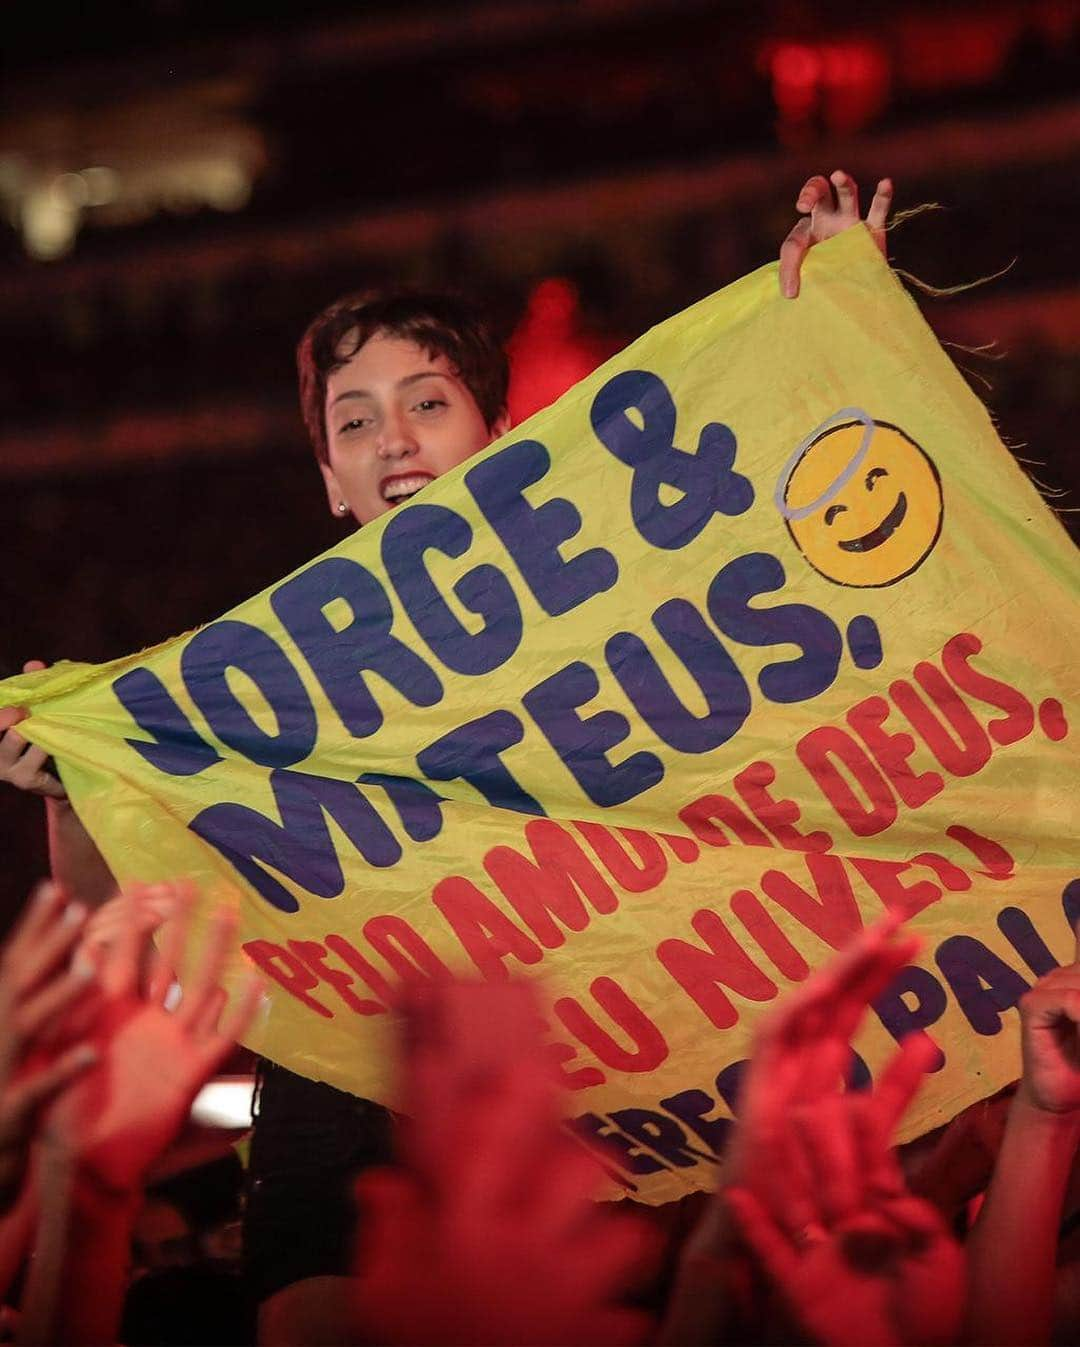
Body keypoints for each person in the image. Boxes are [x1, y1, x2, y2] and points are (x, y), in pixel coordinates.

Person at [0, 170, 894, 1341]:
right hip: (340, 1101)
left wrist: (845, 309)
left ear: (502, 437)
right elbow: (116, 928)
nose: (393, 439)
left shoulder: (628, 608)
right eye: (355, 419)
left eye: (427, 402)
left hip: (599, 1082)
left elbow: (830, 543)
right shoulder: (245, 681)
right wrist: (72, 789)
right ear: (330, 476)